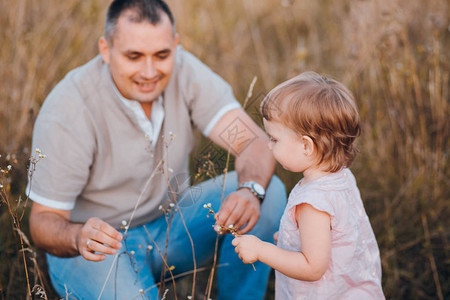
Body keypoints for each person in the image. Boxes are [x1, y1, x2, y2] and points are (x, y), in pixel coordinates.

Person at [27, 0, 286, 299]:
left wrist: (250, 190)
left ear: (175, 46)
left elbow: (254, 142)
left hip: (171, 224)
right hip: (96, 247)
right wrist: (78, 236)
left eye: (161, 55)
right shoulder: (68, 107)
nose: (149, 72)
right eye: (134, 56)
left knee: (269, 194)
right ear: (106, 50)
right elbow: (43, 222)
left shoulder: (185, 70)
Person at [232, 72, 385, 299]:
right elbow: (338, 236)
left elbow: (312, 268)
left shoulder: (312, 203)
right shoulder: (342, 178)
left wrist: (261, 250)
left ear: (306, 146)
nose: (269, 146)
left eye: (274, 139)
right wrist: (289, 238)